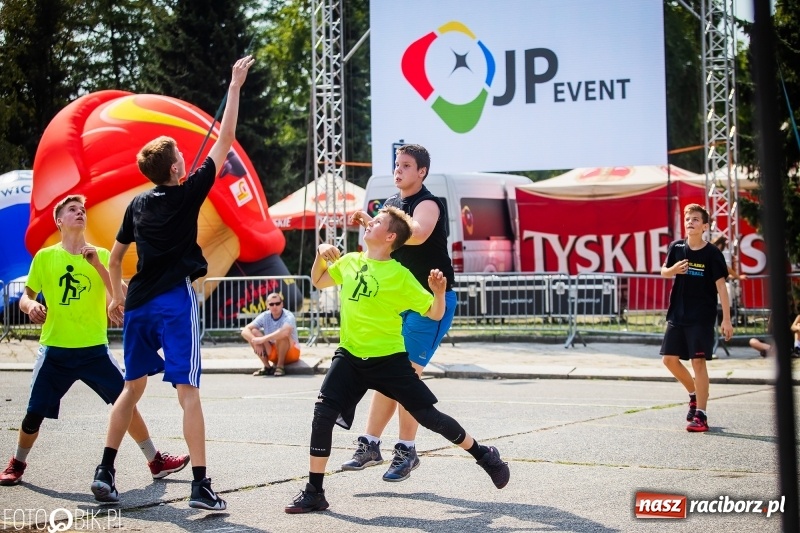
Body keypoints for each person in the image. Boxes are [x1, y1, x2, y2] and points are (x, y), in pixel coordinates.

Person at [90, 55, 254, 510]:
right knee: (188, 392)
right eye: (182, 157)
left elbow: (118, 254)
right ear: (179, 170)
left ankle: (105, 471)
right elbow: (225, 140)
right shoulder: (187, 193)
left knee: (131, 388)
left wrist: (114, 294)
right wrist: (235, 86)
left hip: (139, 302)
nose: (187, 158)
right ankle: (201, 485)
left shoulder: (138, 206)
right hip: (174, 302)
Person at [284, 206, 509, 514]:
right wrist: (321, 253)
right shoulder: (350, 261)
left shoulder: (400, 275)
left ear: (389, 236)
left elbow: (434, 313)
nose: (368, 222)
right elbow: (320, 280)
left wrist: (439, 292)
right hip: (349, 355)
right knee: (322, 414)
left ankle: (485, 454)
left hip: (388, 360)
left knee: (430, 417)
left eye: (375, 222)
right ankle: (314, 492)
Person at [0, 195, 188, 486]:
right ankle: (17, 463)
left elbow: (122, 296)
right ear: (59, 221)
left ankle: (155, 461)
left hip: (94, 350)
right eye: (72, 210)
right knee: (33, 415)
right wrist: (29, 306)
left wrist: (102, 269)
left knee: (125, 404)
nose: (80, 213)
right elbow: (27, 295)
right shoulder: (45, 257)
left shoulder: (102, 254)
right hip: (55, 351)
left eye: (83, 209)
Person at [344, 143, 457, 482]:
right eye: (397, 164)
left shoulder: (428, 204)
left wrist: (383, 227)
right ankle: (370, 443)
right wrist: (370, 223)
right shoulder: (391, 205)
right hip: (398, 301)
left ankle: (406, 449)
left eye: (406, 165)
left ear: (421, 172)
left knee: (406, 376)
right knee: (388, 372)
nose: (398, 170)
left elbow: (417, 235)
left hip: (432, 300)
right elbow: (386, 243)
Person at [661, 203, 733, 433]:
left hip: (701, 316)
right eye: (687, 218)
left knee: (698, 362)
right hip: (677, 314)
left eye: (695, 219)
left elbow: (722, 287)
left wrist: (727, 319)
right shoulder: (676, 247)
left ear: (704, 226)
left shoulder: (712, 253)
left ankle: (701, 414)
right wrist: (673, 271)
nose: (690, 222)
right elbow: (663, 271)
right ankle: (694, 394)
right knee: (669, 360)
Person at [241, 292, 301, 376]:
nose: (275, 306)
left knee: (282, 335)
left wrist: (262, 339)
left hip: (291, 353)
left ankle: (280, 366)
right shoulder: (265, 316)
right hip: (273, 351)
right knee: (254, 332)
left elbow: (285, 331)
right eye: (271, 304)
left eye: (277, 303)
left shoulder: (288, 316)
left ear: (282, 304)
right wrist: (255, 341)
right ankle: (267, 367)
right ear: (267, 306)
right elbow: (245, 330)